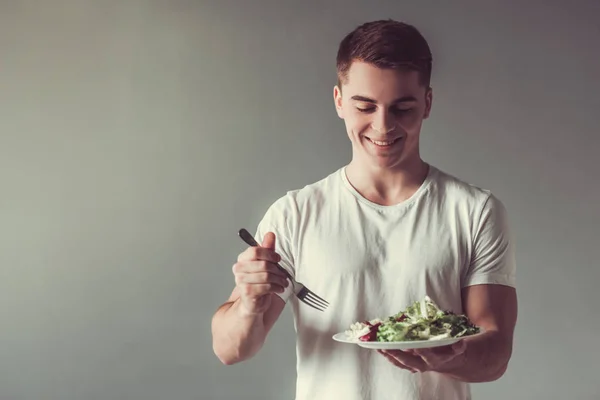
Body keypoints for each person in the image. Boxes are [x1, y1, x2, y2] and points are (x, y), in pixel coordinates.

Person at [211, 19, 518, 400]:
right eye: (365, 106)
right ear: (339, 101)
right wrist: (249, 304)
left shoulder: (476, 212)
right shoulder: (295, 214)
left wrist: (441, 356)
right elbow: (231, 349)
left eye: (402, 108)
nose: (383, 126)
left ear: (427, 103)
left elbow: (496, 353)